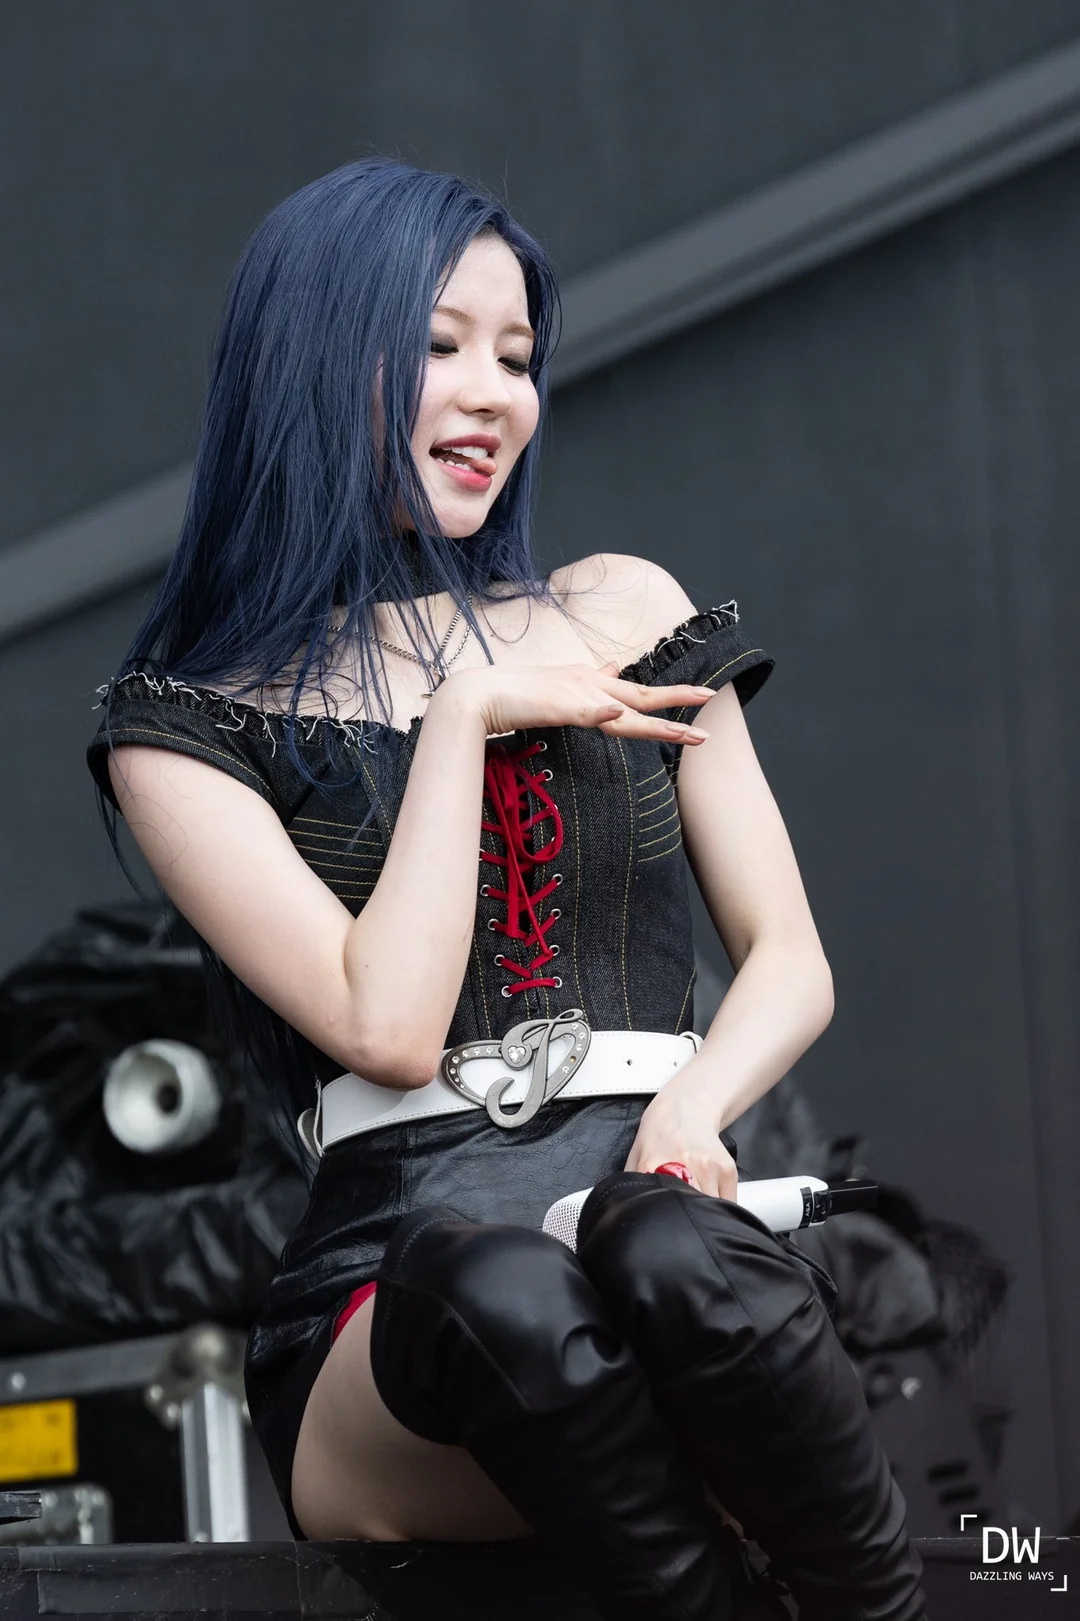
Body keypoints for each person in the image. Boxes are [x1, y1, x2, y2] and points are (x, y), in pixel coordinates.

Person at [87, 158, 927, 1620]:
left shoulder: (623, 606)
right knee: (500, 1287)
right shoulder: (189, 725)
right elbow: (391, 1027)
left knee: (662, 1249)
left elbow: (790, 955)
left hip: (664, 1240)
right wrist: (464, 720)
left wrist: (688, 1115)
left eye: (519, 357)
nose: (493, 396)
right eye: (439, 346)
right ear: (311, 359)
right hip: (393, 1311)